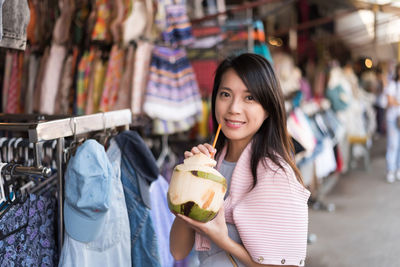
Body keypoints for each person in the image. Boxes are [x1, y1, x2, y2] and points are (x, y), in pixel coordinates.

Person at [169, 53, 310, 266]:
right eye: (225, 94)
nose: (234, 108)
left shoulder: (277, 176)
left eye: (250, 97)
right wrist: (191, 183)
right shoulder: (211, 166)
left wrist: (223, 240)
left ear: (268, 108)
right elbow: (177, 251)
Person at [385, 64, 400, 183]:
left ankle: (398, 169)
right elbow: (390, 101)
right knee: (393, 144)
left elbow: (393, 100)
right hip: (393, 118)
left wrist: (396, 101)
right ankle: (391, 170)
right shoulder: (392, 85)